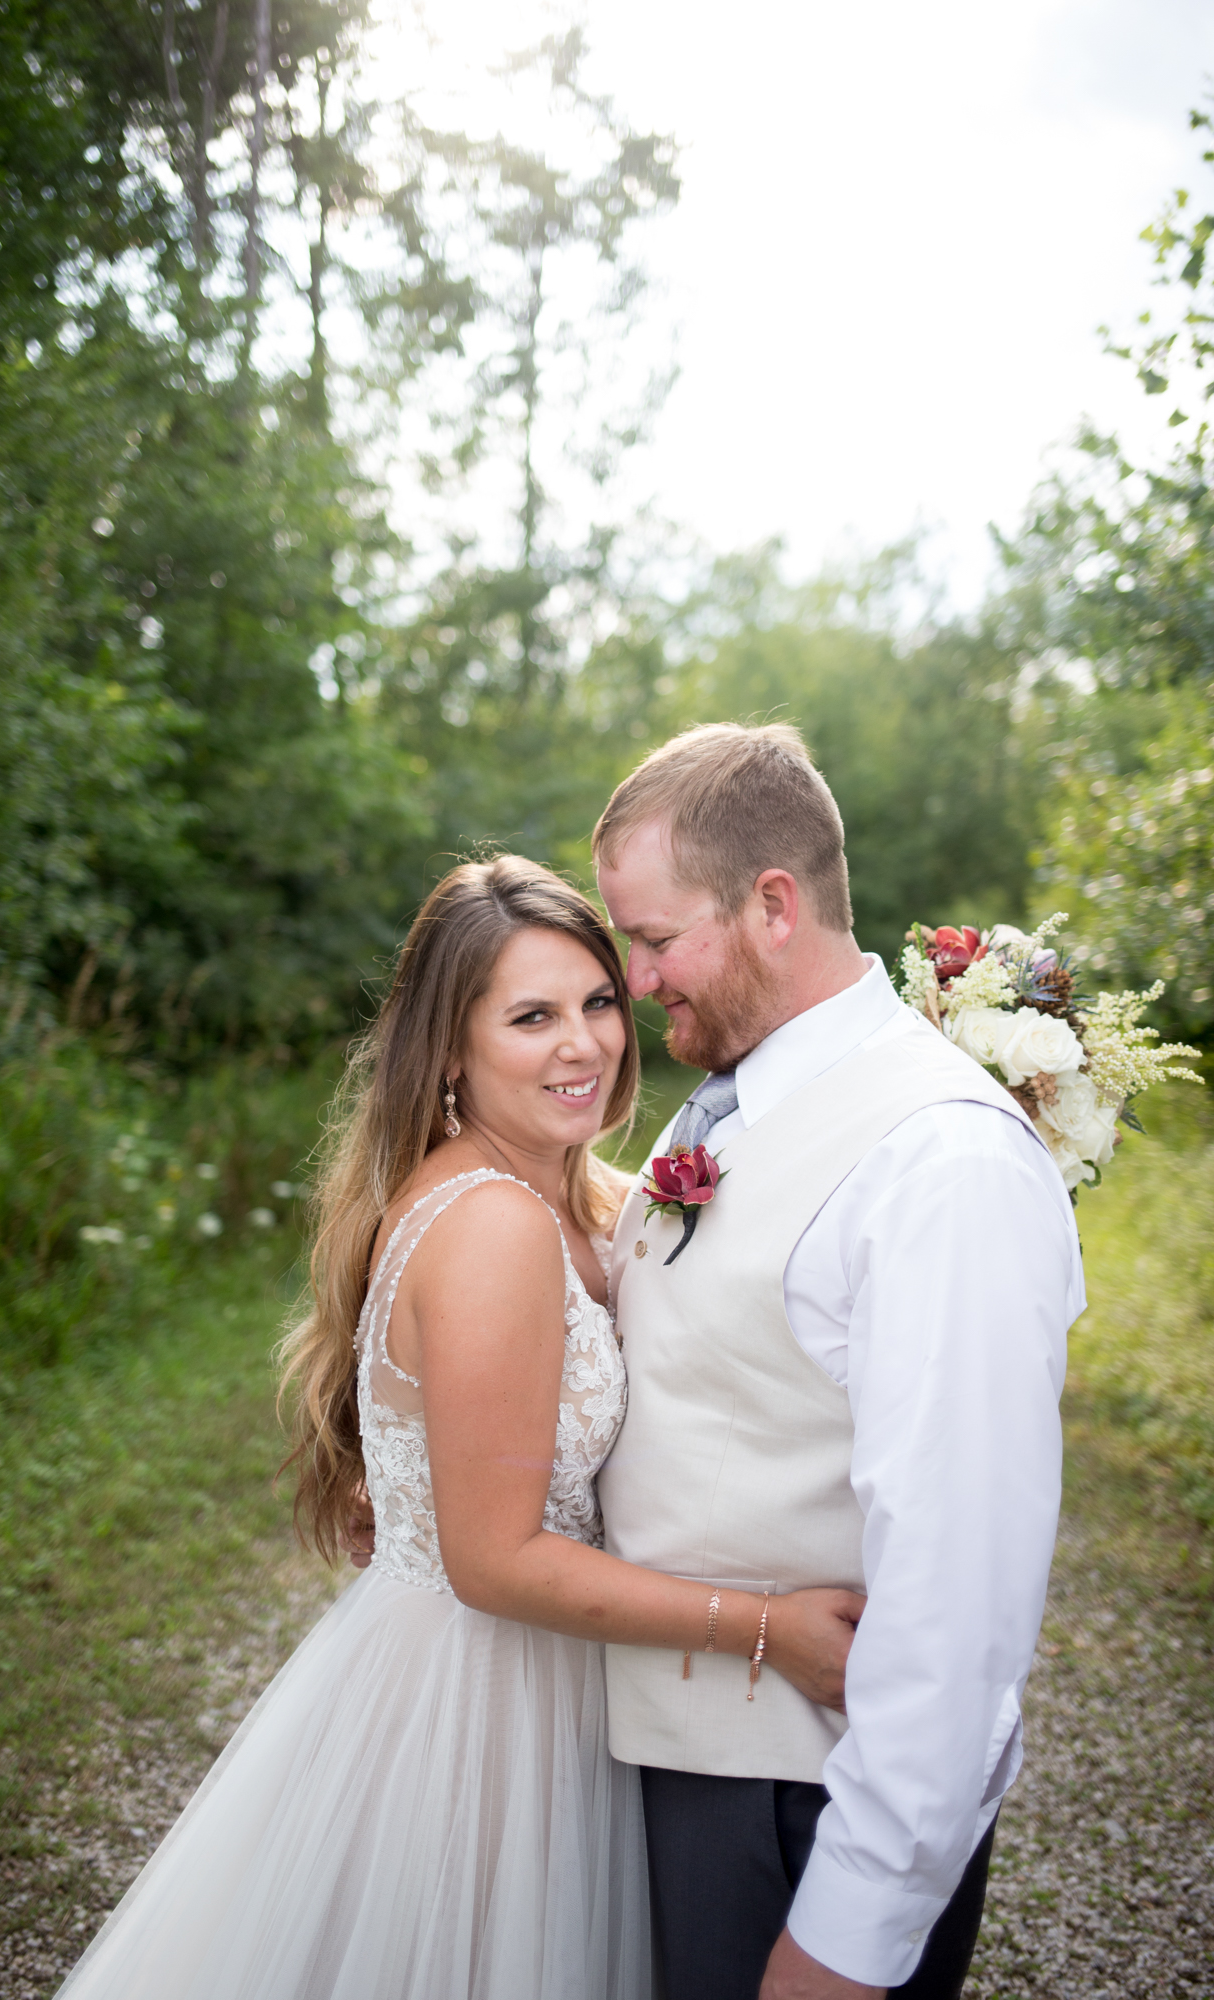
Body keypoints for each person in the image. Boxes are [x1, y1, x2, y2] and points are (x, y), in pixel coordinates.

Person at [53, 855, 860, 2000]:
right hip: (484, 1701)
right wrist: (767, 1625)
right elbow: (493, 1560)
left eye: (593, 1001)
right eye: (531, 1016)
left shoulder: (580, 1194)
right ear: (448, 1047)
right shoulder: (492, 1224)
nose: (583, 1043)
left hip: (565, 1673)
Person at [592, 723, 1087, 2000]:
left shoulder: (943, 1162)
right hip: (694, 1765)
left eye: (653, 940)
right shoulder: (749, 1101)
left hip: (801, 1806)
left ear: (772, 903)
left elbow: (957, 1594)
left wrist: (847, 1934)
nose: (637, 982)